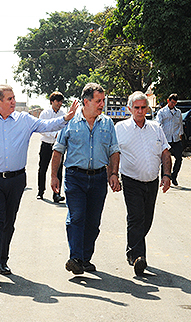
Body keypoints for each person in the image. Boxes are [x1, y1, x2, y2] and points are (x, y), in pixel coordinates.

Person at [0, 84, 78, 279]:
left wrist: (66, 118)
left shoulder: (24, 120)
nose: (13, 102)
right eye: (9, 99)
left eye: (14, 98)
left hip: (17, 180)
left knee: (9, 222)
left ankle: (2, 261)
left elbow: (46, 126)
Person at [51, 83, 121, 275]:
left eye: (103, 101)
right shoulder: (70, 122)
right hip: (75, 177)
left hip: (98, 178)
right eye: (98, 101)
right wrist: (54, 176)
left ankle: (84, 258)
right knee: (77, 217)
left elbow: (114, 151)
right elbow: (58, 150)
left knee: (93, 221)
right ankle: (75, 257)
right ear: (86, 101)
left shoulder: (107, 123)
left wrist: (113, 174)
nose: (102, 105)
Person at [115, 91, 172, 276]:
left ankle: (132, 249)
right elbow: (114, 154)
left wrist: (167, 175)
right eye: (136, 108)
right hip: (131, 180)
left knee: (147, 219)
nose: (140, 111)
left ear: (148, 108)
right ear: (129, 109)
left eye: (143, 107)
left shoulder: (156, 128)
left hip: (152, 182)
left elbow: (165, 153)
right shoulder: (120, 129)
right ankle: (139, 257)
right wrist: (113, 174)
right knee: (136, 217)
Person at [37, 91, 66, 203]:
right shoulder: (45, 113)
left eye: (61, 102)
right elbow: (42, 129)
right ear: (52, 102)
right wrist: (54, 134)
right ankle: (40, 192)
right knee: (43, 168)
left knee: (58, 171)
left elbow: (64, 128)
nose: (60, 103)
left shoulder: (63, 114)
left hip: (58, 147)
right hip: (46, 144)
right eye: (58, 101)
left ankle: (57, 194)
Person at [156, 93, 184, 186]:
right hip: (166, 140)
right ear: (168, 101)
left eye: (175, 103)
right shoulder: (162, 112)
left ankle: (174, 176)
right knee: (165, 160)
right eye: (172, 102)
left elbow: (180, 124)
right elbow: (158, 125)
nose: (173, 105)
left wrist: (181, 136)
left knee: (179, 159)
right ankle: (163, 178)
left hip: (175, 139)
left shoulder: (178, 112)